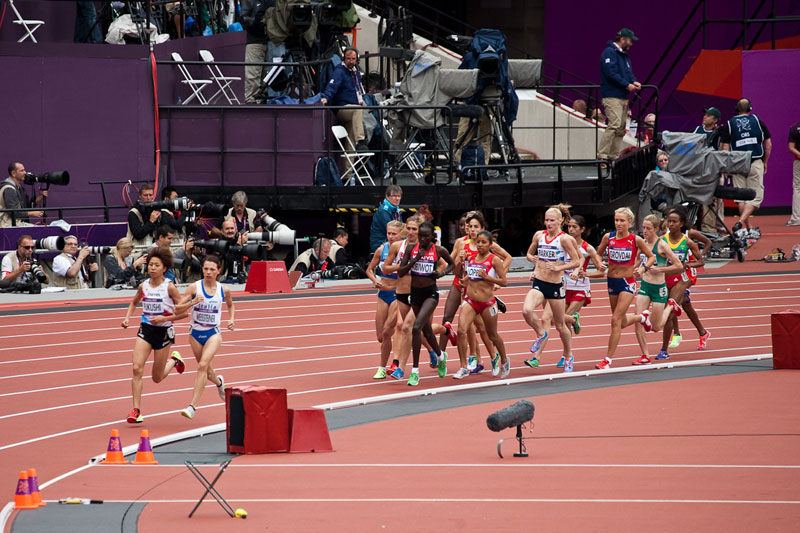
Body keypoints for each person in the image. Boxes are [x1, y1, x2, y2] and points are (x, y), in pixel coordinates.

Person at [527, 215, 604, 368]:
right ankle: (572, 321)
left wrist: (582, 272)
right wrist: (537, 267)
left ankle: (565, 355)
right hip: (561, 283)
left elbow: (583, 262)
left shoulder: (584, 246)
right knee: (552, 319)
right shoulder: (558, 239)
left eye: (575, 227)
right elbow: (542, 256)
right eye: (570, 226)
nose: (571, 229)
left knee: (559, 323)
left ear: (582, 229)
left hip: (579, 288)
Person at [121, 247, 187, 424]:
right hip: (146, 330)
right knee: (136, 368)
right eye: (150, 264)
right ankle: (136, 411)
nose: (152, 268)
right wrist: (127, 317)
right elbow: (134, 302)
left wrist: (165, 318)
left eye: (156, 265)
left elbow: (184, 313)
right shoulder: (144, 286)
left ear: (164, 268)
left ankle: (174, 360)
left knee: (157, 378)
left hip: (164, 332)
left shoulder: (170, 288)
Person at [521, 205, 583, 373]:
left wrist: (560, 268)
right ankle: (541, 334)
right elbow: (528, 254)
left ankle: (569, 355)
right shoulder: (539, 235)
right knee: (526, 310)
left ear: (560, 220)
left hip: (555, 286)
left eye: (552, 220)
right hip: (540, 283)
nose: (548, 223)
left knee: (560, 325)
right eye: (546, 220)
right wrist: (533, 260)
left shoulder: (564, 239)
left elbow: (577, 261)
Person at [594, 207, 656, 369]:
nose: (619, 223)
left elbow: (651, 257)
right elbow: (597, 254)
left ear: (629, 222)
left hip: (627, 283)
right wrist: (599, 263)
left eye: (622, 220)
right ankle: (641, 318)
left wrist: (643, 269)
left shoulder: (636, 240)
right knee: (620, 322)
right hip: (611, 282)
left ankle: (607, 359)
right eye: (616, 220)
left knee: (615, 321)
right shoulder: (608, 237)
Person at [397, 221, 455, 385]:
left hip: (430, 294)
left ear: (432, 237)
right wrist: (415, 260)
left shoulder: (438, 250)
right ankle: (441, 355)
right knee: (427, 332)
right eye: (420, 235)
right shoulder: (411, 249)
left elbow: (452, 264)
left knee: (416, 328)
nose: (422, 239)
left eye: (425, 236)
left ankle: (414, 371)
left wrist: (441, 273)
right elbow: (401, 272)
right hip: (415, 294)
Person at [177, 255, 234, 419]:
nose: (208, 272)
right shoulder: (194, 288)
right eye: (205, 269)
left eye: (212, 269)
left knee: (202, 365)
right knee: (208, 372)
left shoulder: (224, 290)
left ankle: (192, 407)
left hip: (213, 333)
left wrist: (231, 319)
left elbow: (230, 304)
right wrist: (192, 302)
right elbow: (178, 308)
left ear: (218, 271)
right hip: (195, 334)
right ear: (202, 269)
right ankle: (219, 383)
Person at [454, 230, 510, 379]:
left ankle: (504, 360)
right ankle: (463, 367)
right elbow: (468, 276)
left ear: (490, 244)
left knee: (492, 335)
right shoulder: (471, 258)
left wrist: (487, 278)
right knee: (461, 330)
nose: (480, 245)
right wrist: (464, 280)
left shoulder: (494, 260)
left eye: (483, 242)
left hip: (487, 303)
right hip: (471, 301)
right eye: (478, 242)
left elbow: (504, 282)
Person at [655, 206, 709, 360]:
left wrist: (688, 265)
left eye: (674, 222)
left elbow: (700, 261)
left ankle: (664, 349)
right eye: (669, 221)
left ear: (681, 224)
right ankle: (702, 333)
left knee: (670, 310)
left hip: (683, 278)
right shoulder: (662, 240)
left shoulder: (688, 241)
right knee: (684, 304)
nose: (671, 224)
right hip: (666, 277)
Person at [630, 214, 686, 365]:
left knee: (655, 327)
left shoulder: (661, 245)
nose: (645, 231)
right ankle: (645, 355)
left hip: (659, 288)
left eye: (648, 228)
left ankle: (671, 307)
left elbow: (679, 266)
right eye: (643, 228)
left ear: (655, 229)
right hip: (645, 286)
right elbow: (636, 262)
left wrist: (661, 270)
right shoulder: (641, 243)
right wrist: (632, 271)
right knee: (638, 320)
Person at [719, 98, 772, 238]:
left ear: (736, 109)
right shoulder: (757, 121)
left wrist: (725, 167)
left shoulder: (729, 124)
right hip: (755, 161)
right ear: (750, 108)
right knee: (756, 197)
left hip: (737, 164)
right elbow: (768, 144)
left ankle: (748, 229)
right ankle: (742, 222)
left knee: (741, 197)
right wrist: (765, 162)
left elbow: (725, 149)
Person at [365, 220, 404, 379]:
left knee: (389, 330)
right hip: (383, 294)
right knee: (381, 336)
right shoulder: (381, 250)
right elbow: (369, 270)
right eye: (389, 233)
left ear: (401, 234)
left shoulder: (404, 251)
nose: (391, 236)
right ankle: (432, 351)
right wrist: (375, 280)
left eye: (394, 234)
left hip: (397, 293)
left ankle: (385, 366)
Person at [598, 28, 641, 161]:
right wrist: (626, 84)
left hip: (622, 97)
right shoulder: (609, 53)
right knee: (614, 124)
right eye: (630, 41)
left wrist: (634, 81)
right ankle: (602, 155)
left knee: (621, 128)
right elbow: (611, 73)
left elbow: (628, 73)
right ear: (622, 39)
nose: (631, 44)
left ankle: (613, 155)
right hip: (612, 96)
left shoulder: (624, 56)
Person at [320, 47, 368, 150]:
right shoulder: (339, 71)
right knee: (357, 109)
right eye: (348, 59)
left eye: (353, 59)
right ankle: (361, 140)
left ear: (357, 59)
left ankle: (349, 166)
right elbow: (331, 86)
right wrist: (326, 97)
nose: (351, 61)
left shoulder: (356, 73)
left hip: (353, 112)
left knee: (350, 145)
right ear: (343, 59)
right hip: (342, 108)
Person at [241, 0, 271, 103]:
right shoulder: (250, 1)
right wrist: (257, 22)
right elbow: (243, 18)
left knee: (268, 75)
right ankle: (250, 102)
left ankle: (263, 99)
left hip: (272, 41)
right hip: (255, 40)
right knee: (253, 74)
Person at [1, 162, 46, 228]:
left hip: (17, 224)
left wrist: (41, 196)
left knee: (42, 229)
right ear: (13, 173)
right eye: (22, 170)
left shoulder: (19, 188)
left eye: (24, 170)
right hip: (7, 226)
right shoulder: (9, 189)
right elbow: (14, 212)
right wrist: (32, 213)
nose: (25, 173)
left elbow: (27, 206)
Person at [126, 184, 162, 248]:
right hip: (138, 249)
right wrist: (151, 221)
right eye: (145, 195)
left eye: (150, 195)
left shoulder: (155, 210)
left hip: (154, 247)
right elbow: (138, 234)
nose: (148, 198)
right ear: (140, 196)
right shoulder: (133, 212)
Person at [369, 185, 403, 252]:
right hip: (380, 244)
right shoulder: (383, 211)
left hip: (391, 241)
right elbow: (393, 229)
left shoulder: (396, 210)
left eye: (399, 196)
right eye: (394, 196)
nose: (397, 198)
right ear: (387, 196)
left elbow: (401, 227)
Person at [787, 119, 800, 226]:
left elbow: (791, 147)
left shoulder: (794, 127)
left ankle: (796, 218)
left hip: (798, 160)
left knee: (797, 187)